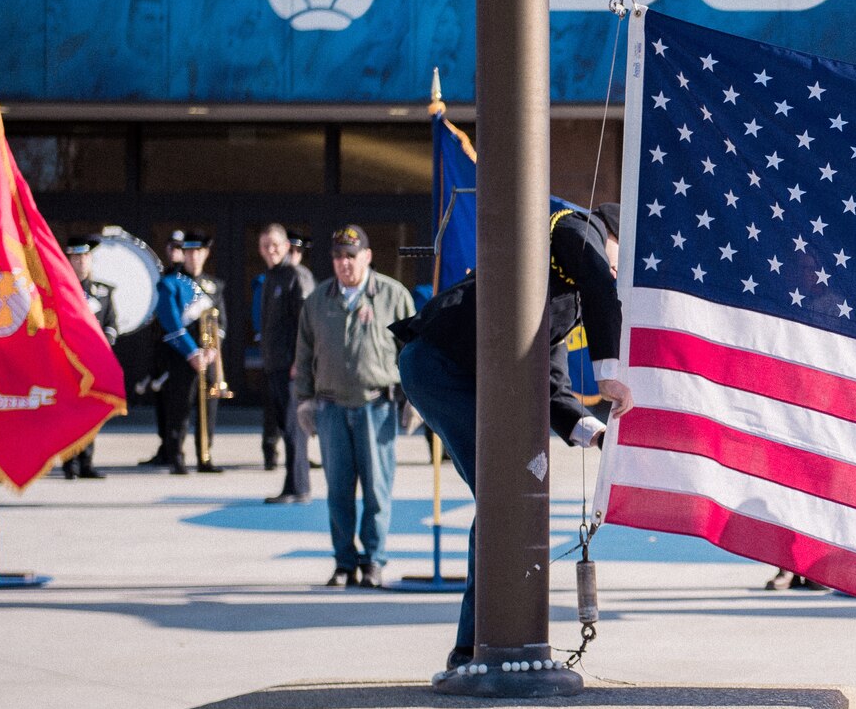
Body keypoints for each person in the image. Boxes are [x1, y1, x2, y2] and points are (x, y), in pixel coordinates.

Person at [395, 202, 633, 668]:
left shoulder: (567, 291)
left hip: (462, 372)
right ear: (610, 235)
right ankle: (474, 647)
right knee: (503, 494)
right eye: (619, 259)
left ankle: (483, 642)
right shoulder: (575, 227)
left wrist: (596, 433)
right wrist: (609, 371)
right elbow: (599, 281)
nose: (617, 271)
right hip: (441, 365)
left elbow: (551, 382)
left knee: (507, 495)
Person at [293, 225, 415, 588]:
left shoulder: (393, 297)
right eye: (338, 257)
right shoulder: (317, 301)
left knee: (377, 490)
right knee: (338, 492)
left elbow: (413, 353)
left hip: (376, 408)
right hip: (331, 409)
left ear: (367, 256)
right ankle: (344, 563)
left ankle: (374, 562)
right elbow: (303, 353)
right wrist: (303, 402)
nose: (344, 263)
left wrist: (415, 401)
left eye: (351, 255)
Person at [140, 231, 223, 474]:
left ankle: (205, 457)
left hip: (207, 359)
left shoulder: (214, 285)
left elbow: (222, 323)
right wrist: (192, 352)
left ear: (205, 254)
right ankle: (176, 457)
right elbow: (171, 323)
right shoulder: (170, 283)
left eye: (198, 252)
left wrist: (210, 352)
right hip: (181, 358)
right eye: (189, 252)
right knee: (179, 409)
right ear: (183, 254)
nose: (193, 257)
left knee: (208, 410)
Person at [254, 223, 316, 505]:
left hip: (292, 366)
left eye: (276, 245)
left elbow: (306, 324)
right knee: (286, 427)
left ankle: (299, 487)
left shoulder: (295, 275)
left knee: (294, 428)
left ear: (287, 246)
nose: (271, 250)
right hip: (274, 364)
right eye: (266, 245)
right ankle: (292, 485)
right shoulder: (271, 277)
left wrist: (299, 362)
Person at [59, 234, 119, 480]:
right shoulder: (60, 289)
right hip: (68, 364)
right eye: (76, 257)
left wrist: (101, 348)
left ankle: (86, 462)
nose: (81, 262)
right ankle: (69, 462)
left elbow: (111, 325)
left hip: (94, 364)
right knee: (69, 415)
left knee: (91, 413)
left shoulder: (103, 292)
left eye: (85, 257)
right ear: (69, 260)